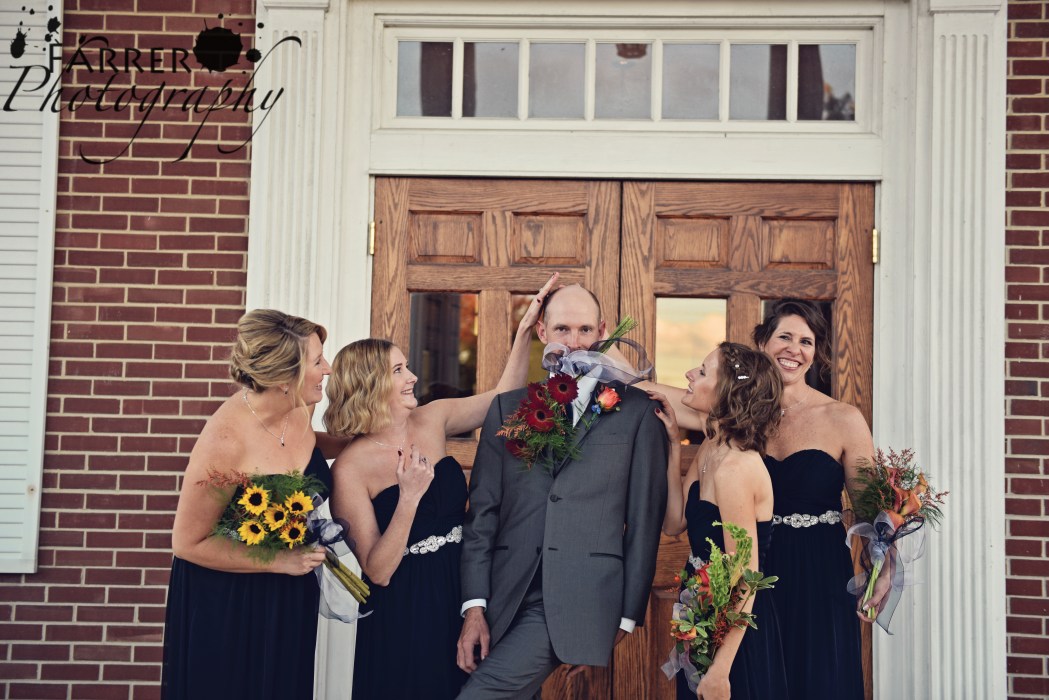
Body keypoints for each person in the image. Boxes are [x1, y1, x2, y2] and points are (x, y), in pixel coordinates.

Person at [323, 274, 558, 700]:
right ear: (369, 384)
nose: (412, 376)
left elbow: (505, 398)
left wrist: (524, 330)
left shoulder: (433, 418)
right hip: (408, 609)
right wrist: (409, 497)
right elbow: (377, 571)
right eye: (398, 370)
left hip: (466, 586)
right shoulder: (350, 468)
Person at [632, 300, 874, 699]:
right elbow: (655, 394)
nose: (794, 348)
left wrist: (883, 565)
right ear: (762, 342)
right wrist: (592, 363)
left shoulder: (843, 419)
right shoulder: (731, 423)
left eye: (806, 341)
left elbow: (870, 510)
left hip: (815, 574)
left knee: (816, 679)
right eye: (784, 336)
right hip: (752, 570)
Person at [455, 284, 669, 699]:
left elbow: (644, 520)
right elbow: (483, 513)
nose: (574, 342)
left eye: (585, 330)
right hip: (504, 593)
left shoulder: (638, 413)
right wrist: (474, 605)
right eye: (562, 329)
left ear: (603, 331)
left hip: (581, 595)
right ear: (542, 332)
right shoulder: (507, 408)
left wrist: (627, 615)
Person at [162, 309, 345, 700]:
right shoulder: (225, 442)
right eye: (317, 362)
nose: (327, 369)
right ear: (283, 379)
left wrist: (363, 446)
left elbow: (303, 447)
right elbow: (187, 543)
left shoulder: (300, 405)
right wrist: (280, 561)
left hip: (288, 595)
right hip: (230, 604)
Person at [651, 342, 788, 700]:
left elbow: (746, 577)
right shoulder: (712, 446)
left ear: (728, 392)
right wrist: (673, 446)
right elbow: (674, 523)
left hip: (736, 635)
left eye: (701, 371)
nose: (689, 375)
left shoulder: (736, 469)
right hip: (701, 613)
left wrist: (720, 670)